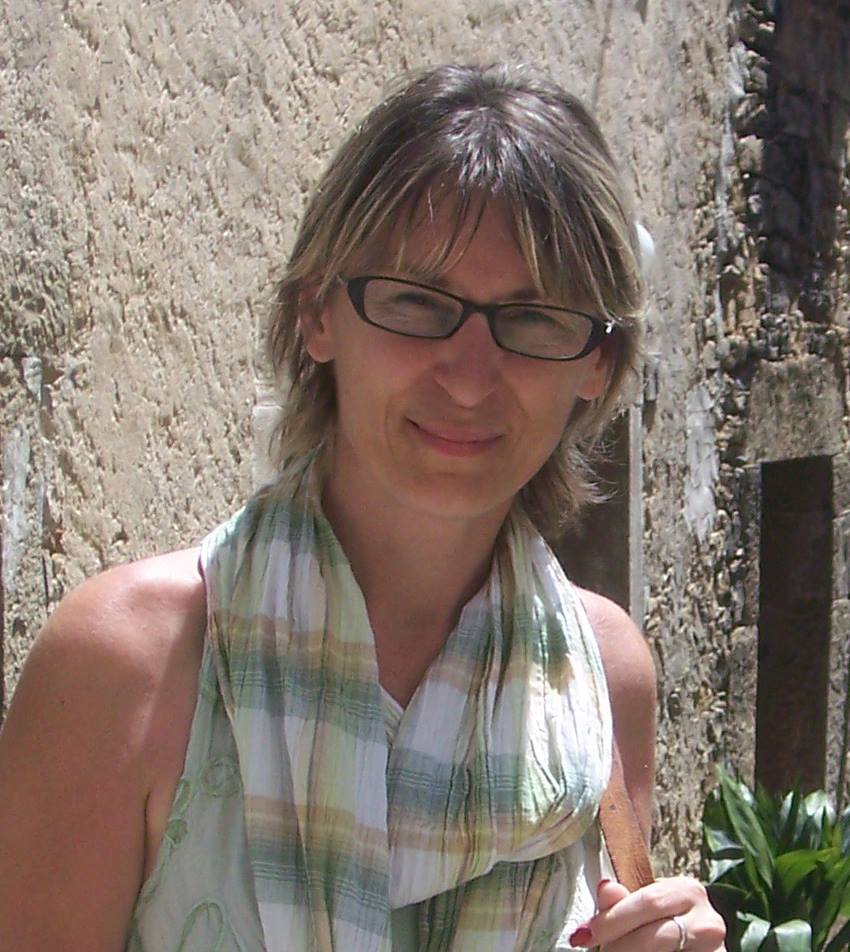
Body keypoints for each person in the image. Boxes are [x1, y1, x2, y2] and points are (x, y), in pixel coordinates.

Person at [0, 64, 726, 951]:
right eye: (416, 302)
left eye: (535, 318)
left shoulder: (601, 677)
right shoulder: (130, 665)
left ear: (597, 364)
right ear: (317, 313)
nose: (469, 378)